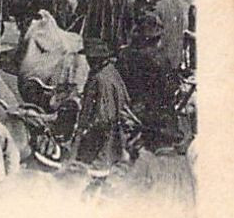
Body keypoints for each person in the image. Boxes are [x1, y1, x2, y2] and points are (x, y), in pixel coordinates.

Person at [118, 14, 180, 150]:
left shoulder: (124, 55)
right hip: (154, 113)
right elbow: (170, 88)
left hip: (130, 107)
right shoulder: (159, 59)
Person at [74, 38, 132, 175]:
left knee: (91, 166)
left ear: (96, 59)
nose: (88, 61)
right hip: (113, 127)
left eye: (90, 58)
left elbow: (104, 116)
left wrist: (84, 130)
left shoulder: (100, 79)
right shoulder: (111, 71)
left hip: (103, 133)